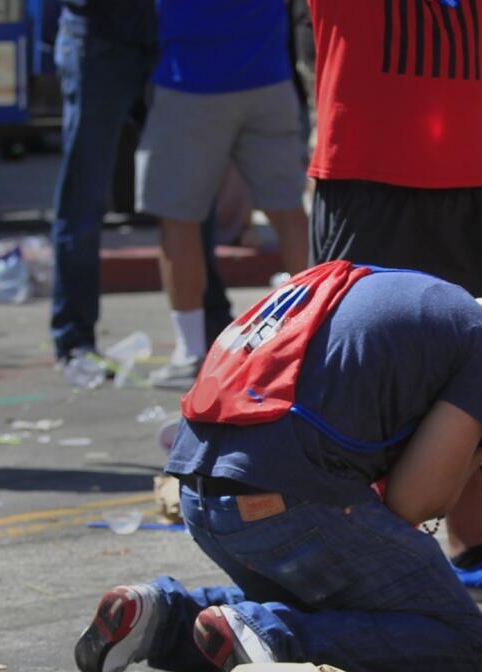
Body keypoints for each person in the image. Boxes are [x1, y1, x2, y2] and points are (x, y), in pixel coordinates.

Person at [73, 262, 482, 672]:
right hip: (287, 499)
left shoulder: (392, 294)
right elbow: (415, 503)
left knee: (322, 598)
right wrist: (468, 450)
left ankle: (161, 617)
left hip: (199, 490)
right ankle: (271, 638)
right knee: (462, 643)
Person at [307, 0, 482, 609]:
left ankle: (469, 552)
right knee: (352, 377)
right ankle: (356, 557)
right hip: (366, 176)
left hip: (469, 176)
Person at [138, 0, 309, 390]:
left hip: (192, 79)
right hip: (267, 75)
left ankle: (190, 351)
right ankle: (314, 331)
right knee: (287, 211)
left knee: (177, 217)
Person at [49, 1, 232, 364]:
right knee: (84, 196)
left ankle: (211, 324)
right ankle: (74, 338)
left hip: (165, 35)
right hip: (95, 35)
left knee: (189, 189)